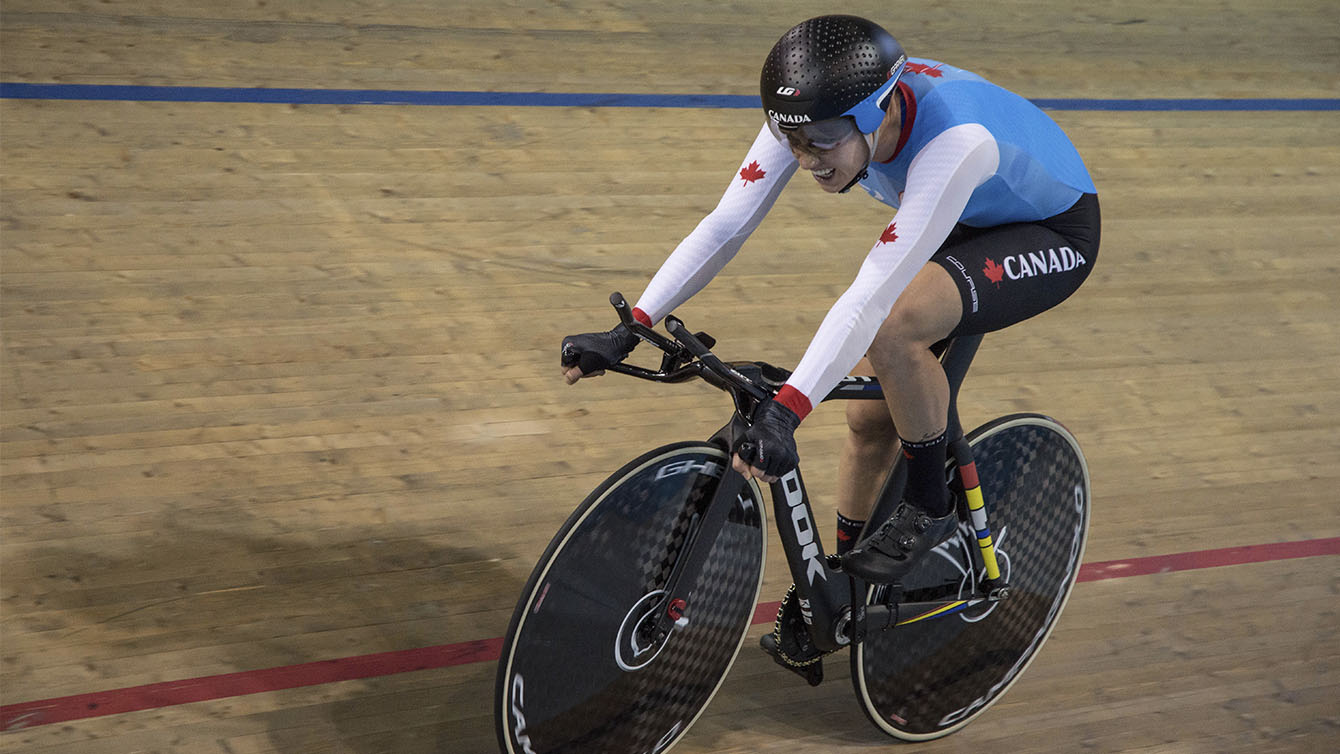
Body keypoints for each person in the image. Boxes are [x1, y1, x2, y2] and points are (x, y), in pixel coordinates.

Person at [560, 15, 1099, 669]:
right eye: (793, 142)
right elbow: (727, 224)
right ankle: (841, 585)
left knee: (897, 327)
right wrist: (632, 327)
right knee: (870, 419)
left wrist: (788, 412)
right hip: (954, 213)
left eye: (822, 145)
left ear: (874, 114)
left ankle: (929, 502)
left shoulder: (956, 141)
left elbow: (869, 297)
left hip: (1045, 232)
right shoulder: (810, 115)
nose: (808, 161)